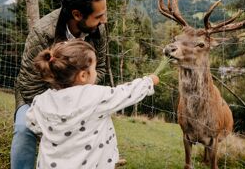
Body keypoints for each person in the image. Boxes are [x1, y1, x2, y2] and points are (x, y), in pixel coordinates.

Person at [11, 0, 108, 169]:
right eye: (98, 16)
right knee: (24, 129)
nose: (104, 20)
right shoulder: (42, 33)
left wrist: (80, 96)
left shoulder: (99, 30)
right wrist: (61, 107)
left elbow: (102, 67)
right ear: (77, 14)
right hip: (36, 96)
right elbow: (29, 84)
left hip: (81, 97)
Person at [26, 39, 159, 169]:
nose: (96, 72)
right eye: (94, 68)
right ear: (83, 75)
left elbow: (33, 124)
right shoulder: (95, 97)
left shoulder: (41, 101)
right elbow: (126, 93)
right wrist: (148, 82)